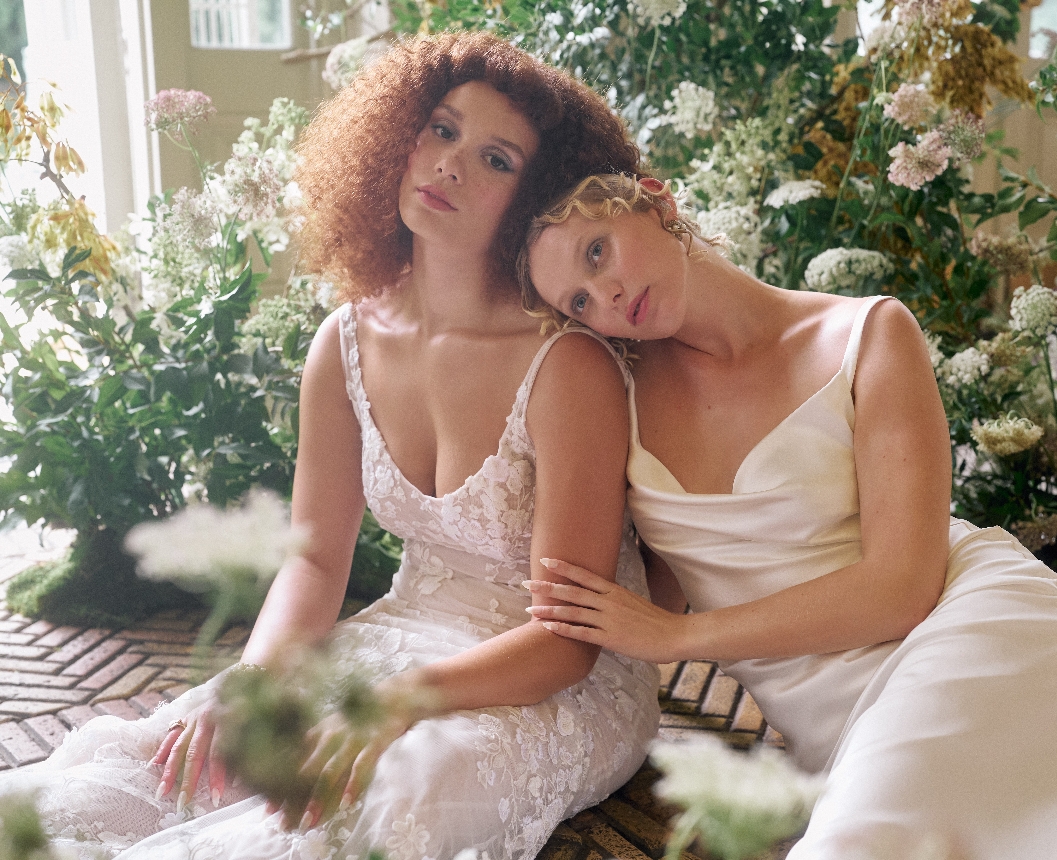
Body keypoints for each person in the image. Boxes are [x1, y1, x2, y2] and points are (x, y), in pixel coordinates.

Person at [0, 37, 660, 860]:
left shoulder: (567, 367)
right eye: (442, 130)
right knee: (174, 761)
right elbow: (314, 564)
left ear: (539, 196)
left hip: (547, 681)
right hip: (400, 636)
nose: (450, 165)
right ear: (399, 135)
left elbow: (567, 641)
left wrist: (398, 702)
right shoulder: (345, 341)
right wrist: (254, 679)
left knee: (367, 803)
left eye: (495, 157)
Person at [515, 174, 1057, 859]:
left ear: (656, 202)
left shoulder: (869, 335)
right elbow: (654, 580)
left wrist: (677, 639)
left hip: (975, 633)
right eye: (580, 302)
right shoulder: (615, 393)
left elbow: (902, 591)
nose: (608, 298)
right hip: (835, 725)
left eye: (597, 252)